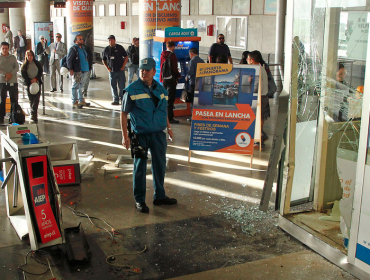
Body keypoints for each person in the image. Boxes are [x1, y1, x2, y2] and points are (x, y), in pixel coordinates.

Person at [120, 57, 176, 213]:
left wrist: (169, 127)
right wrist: (125, 136)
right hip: (140, 135)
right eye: (141, 70)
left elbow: (162, 110)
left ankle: (160, 196)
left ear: (154, 71)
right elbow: (123, 114)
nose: (143, 72)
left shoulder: (161, 89)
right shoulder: (132, 89)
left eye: (147, 70)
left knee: (160, 166)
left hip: (158, 134)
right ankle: (140, 200)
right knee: (140, 168)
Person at [247, 51, 269, 150]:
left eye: (248, 58)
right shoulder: (262, 68)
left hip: (259, 97)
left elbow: (256, 86)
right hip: (264, 96)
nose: (247, 60)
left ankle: (258, 141)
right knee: (260, 119)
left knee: (257, 120)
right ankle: (261, 138)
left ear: (252, 60)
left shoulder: (256, 69)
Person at [66, 35, 92, 108]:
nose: (82, 40)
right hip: (78, 71)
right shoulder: (73, 49)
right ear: (75, 41)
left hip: (85, 70)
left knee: (81, 86)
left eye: (82, 39)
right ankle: (74, 101)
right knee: (75, 86)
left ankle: (81, 100)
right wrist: (71, 69)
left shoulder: (83, 48)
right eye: (80, 39)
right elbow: (69, 59)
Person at [102, 35, 128, 105]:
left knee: (122, 85)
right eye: (109, 40)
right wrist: (107, 68)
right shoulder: (106, 49)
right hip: (112, 71)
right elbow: (103, 59)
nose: (110, 41)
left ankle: (122, 99)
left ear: (114, 40)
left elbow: (126, 56)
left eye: (112, 40)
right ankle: (115, 99)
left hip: (120, 70)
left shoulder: (119, 48)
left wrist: (123, 66)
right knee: (113, 85)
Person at [160, 40, 181, 124]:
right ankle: (170, 118)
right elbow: (174, 69)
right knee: (170, 100)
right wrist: (179, 75)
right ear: (172, 47)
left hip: (164, 79)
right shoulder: (172, 56)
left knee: (165, 98)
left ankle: (164, 117)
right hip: (171, 80)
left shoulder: (162, 55)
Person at [21, 50, 43, 123]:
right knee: (31, 100)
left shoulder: (37, 64)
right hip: (29, 84)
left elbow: (40, 72)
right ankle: (32, 113)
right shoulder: (24, 66)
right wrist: (30, 80)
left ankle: (34, 113)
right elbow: (24, 75)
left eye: (31, 55)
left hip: (37, 83)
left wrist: (36, 79)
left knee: (36, 99)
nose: (30, 57)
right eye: (28, 56)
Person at [0, 42, 19, 124]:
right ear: (1, 48)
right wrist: (5, 74)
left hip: (13, 81)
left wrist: (11, 74)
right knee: (2, 99)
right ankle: (1, 117)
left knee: (14, 99)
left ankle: (13, 116)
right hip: (2, 81)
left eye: (6, 48)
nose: (5, 50)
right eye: (3, 48)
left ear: (9, 49)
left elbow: (17, 67)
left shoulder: (12, 57)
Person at [185, 47, 204, 120]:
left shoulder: (192, 61)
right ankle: (199, 116)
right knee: (199, 100)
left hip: (193, 83)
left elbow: (190, 73)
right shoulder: (202, 61)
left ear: (191, 53)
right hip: (200, 83)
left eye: (189, 54)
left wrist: (187, 77)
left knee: (193, 100)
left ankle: (193, 116)